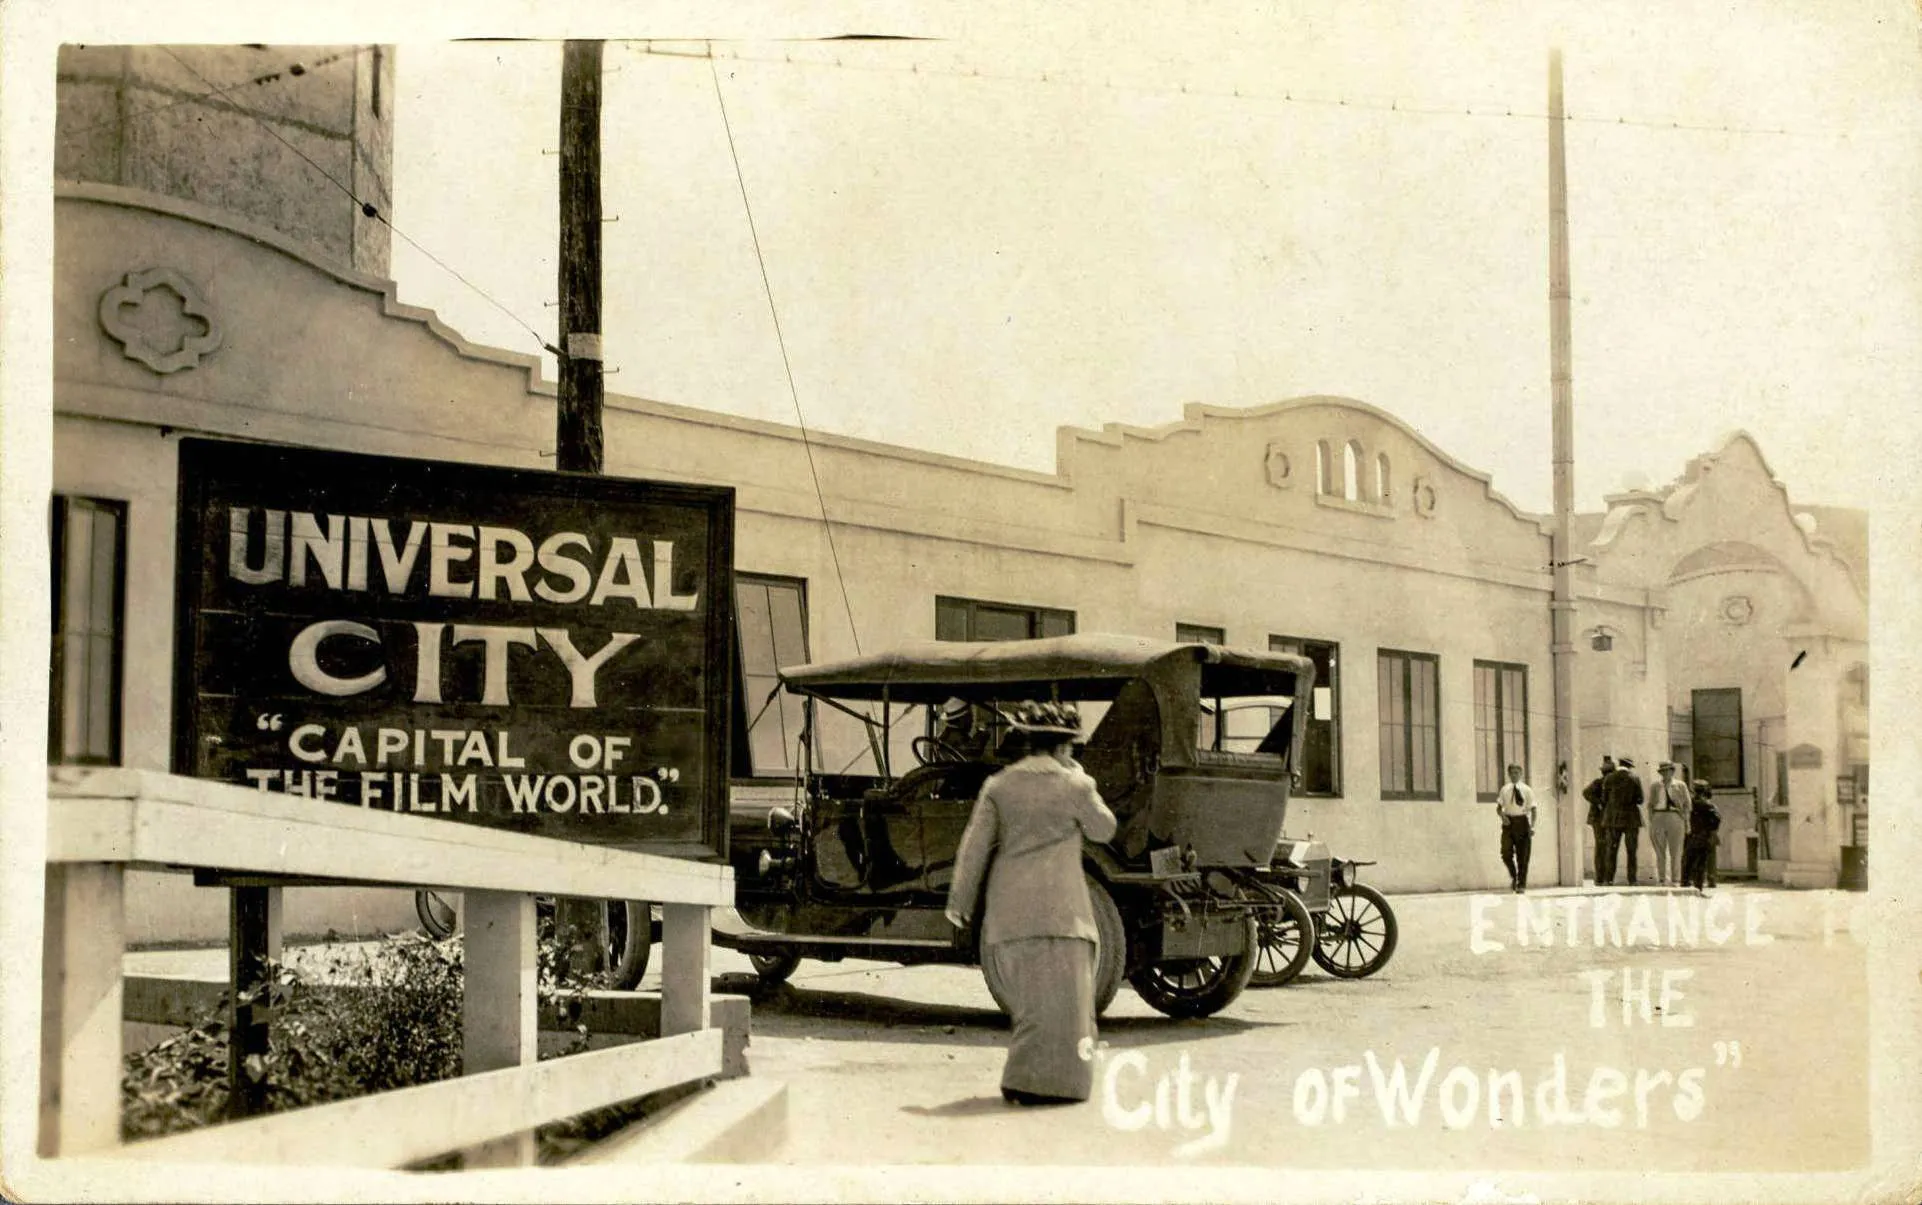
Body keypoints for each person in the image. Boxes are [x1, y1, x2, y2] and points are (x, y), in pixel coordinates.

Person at [945, 701, 1118, 1106]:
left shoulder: (999, 785)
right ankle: (1060, 1086)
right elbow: (1105, 830)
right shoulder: (1075, 785)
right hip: (1063, 913)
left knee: (1029, 1007)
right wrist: (1083, 780)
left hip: (1010, 913)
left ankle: (1023, 1079)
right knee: (1070, 1007)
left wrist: (960, 902)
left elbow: (973, 850)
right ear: (1064, 748)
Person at [1600, 755, 1645, 885]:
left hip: (1613, 818)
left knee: (1611, 850)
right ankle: (1632, 880)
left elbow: (1604, 799)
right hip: (1631, 819)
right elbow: (1640, 799)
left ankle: (1608, 880)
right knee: (1631, 851)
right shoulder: (1635, 778)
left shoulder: (1609, 778)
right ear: (1629, 766)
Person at [1494, 763, 1538, 893]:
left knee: (1523, 856)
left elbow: (1534, 810)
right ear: (1508, 774)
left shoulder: (1527, 790)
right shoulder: (1504, 789)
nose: (1514, 775)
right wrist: (1503, 816)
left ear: (1521, 774)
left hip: (1522, 822)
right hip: (1509, 823)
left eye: (1516, 773)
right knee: (1505, 853)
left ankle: (1521, 885)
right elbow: (1498, 808)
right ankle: (1514, 876)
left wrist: (1533, 826)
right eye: (1512, 773)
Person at [1648, 762, 1692, 887]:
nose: (1666, 773)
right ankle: (1662, 879)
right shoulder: (1655, 786)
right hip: (1659, 815)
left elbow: (1687, 805)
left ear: (1672, 771)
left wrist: (1686, 821)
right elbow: (1650, 804)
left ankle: (1675, 879)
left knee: (1676, 850)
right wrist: (1652, 819)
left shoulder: (1680, 785)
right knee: (1660, 850)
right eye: (1663, 771)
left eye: (1668, 771)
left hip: (1675, 816)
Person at [1681, 779, 1722, 894]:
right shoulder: (1708, 804)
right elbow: (1716, 819)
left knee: (1687, 861)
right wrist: (1711, 830)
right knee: (1701, 863)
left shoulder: (1689, 803)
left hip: (1690, 835)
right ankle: (1698, 887)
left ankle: (1684, 884)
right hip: (1704, 836)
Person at [1583, 756, 1615, 884]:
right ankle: (1601, 877)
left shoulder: (1609, 784)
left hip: (1607, 819)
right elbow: (1586, 793)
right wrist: (1599, 803)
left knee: (1604, 847)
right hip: (1598, 819)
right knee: (1602, 847)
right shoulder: (1598, 783)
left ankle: (1604, 878)